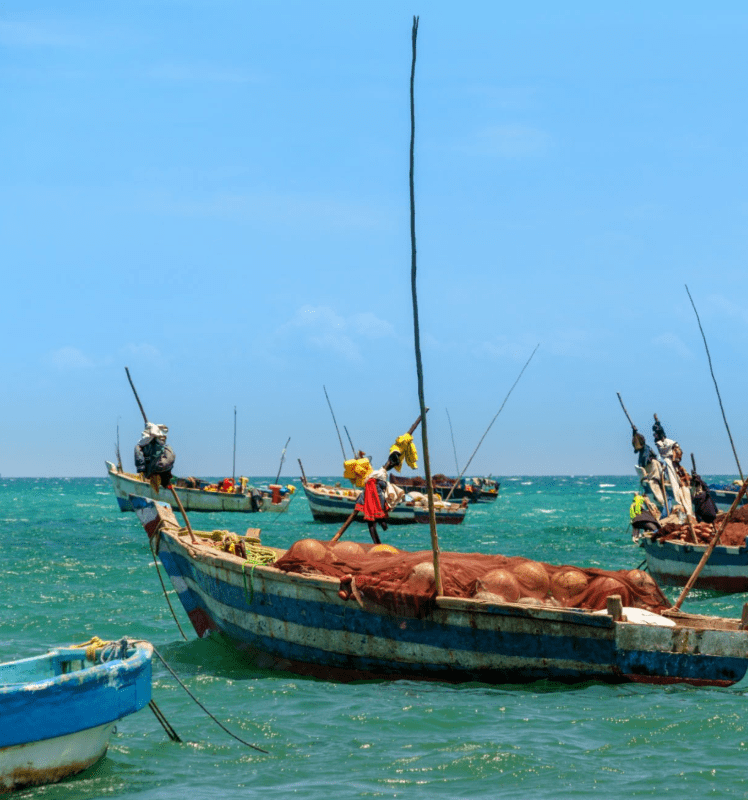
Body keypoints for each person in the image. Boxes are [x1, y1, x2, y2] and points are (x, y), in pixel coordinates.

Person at [134, 422, 175, 492]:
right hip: (157, 470)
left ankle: (165, 484)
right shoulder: (164, 447)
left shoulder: (164, 448)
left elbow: (140, 459)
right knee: (164, 479)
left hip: (155, 470)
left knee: (163, 478)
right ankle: (166, 484)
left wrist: (141, 470)